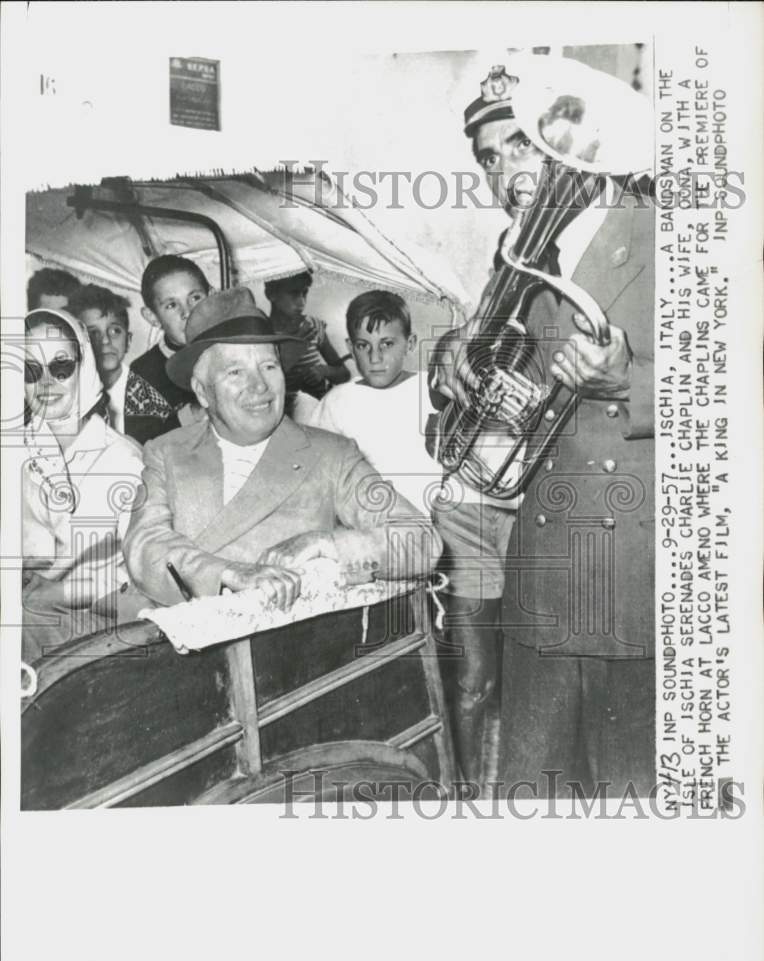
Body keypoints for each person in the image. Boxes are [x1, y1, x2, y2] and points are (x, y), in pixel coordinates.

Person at [431, 56, 655, 797]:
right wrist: (451, 363)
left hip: (631, 586)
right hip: (539, 591)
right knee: (532, 804)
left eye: (520, 144)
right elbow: (511, 393)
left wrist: (628, 381)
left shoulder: (665, 235)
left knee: (637, 811)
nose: (504, 174)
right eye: (489, 158)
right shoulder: (524, 265)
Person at [124, 287, 441, 609]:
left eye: (268, 367)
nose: (259, 386)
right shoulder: (167, 453)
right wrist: (227, 573)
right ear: (202, 392)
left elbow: (421, 542)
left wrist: (327, 544)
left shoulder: (331, 454)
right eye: (235, 371)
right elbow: (144, 545)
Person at [22, 308, 145, 662]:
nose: (46, 384)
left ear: (85, 366)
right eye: (31, 371)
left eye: (61, 368)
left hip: (96, 625)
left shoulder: (123, 460)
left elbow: (138, 587)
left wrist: (54, 594)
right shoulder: (16, 452)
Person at [309, 289, 442, 516]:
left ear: (410, 343)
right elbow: (316, 476)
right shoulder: (337, 402)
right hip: (370, 525)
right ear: (350, 348)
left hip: (438, 520)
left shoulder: (433, 390)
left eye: (387, 344)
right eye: (363, 346)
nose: (375, 357)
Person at [124, 255, 211, 445]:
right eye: (171, 305)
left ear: (211, 297)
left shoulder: (233, 348)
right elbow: (139, 444)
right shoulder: (144, 372)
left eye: (195, 297)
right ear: (152, 317)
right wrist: (190, 415)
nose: (187, 312)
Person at [265, 271, 351, 420]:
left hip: (319, 410)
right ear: (271, 294)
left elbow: (344, 374)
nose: (301, 302)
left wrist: (325, 371)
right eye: (293, 294)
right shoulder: (262, 332)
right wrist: (291, 353)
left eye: (304, 293)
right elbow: (264, 383)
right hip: (283, 415)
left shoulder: (313, 327)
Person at [69, 284, 133, 433]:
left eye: (115, 330)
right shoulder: (69, 397)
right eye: (93, 333)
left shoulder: (148, 400)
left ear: (128, 341)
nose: (105, 340)